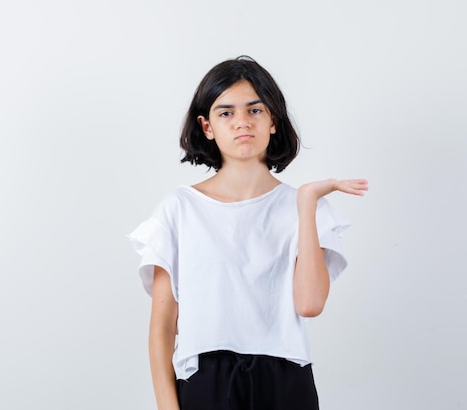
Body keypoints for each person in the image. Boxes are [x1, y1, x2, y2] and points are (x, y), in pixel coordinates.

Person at [127, 55, 368, 410]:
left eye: (255, 111)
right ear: (207, 126)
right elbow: (163, 328)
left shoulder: (304, 208)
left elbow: (310, 304)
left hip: (285, 380)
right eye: (226, 112)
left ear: (273, 120)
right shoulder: (179, 208)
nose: (242, 122)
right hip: (205, 381)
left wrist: (305, 202)